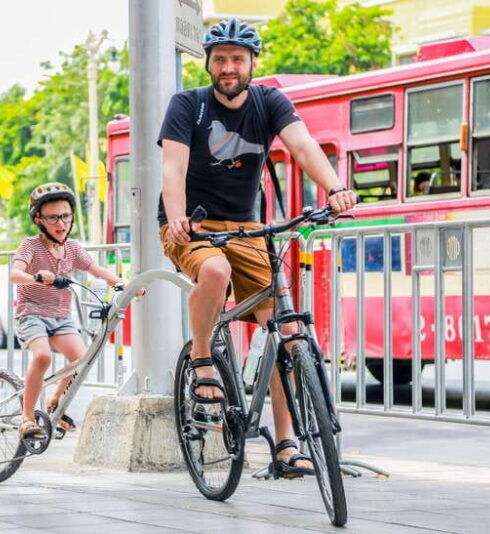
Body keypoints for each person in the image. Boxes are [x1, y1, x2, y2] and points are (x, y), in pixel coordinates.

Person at [158, 18, 357, 477]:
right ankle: (204, 358)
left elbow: (304, 146)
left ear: (252, 63)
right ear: (208, 63)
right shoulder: (188, 105)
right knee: (213, 273)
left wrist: (334, 188)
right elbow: (173, 167)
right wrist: (176, 218)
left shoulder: (269, 101)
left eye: (238, 59)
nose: (229, 67)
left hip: (248, 227)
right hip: (193, 225)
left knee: (283, 333)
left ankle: (286, 445)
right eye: (221, 59)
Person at [11, 182, 144, 439]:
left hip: (60, 316)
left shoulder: (72, 248)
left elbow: (97, 270)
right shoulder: (30, 245)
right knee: (42, 357)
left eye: (65, 216)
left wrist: (123, 285)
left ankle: (54, 403)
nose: (60, 223)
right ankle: (26, 418)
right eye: (52, 217)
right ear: (39, 220)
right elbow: (15, 274)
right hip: (31, 312)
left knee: (81, 361)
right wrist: (37, 276)